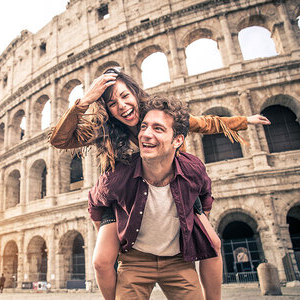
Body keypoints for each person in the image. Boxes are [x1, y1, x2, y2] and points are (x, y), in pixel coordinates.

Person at [50, 68, 270, 300]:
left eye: (125, 96)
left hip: (176, 185)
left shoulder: (158, 114)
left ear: (135, 93)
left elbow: (204, 123)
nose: (122, 106)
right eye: (113, 103)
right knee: (102, 260)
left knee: (213, 243)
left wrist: (245, 120)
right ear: (106, 109)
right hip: (125, 196)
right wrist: (85, 100)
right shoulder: (105, 129)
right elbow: (60, 139)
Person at [89, 96, 216, 299]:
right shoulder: (118, 175)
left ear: (178, 140)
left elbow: (206, 195)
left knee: (214, 244)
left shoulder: (193, 168)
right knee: (100, 261)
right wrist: (109, 233)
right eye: (144, 127)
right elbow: (95, 203)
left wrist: (196, 224)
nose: (146, 134)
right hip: (135, 260)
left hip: (178, 261)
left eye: (158, 129)